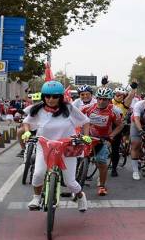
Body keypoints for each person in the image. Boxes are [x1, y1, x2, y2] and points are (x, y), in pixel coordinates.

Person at [21, 81, 92, 212]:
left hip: (67, 148)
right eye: (47, 96)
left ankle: (81, 196)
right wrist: (26, 131)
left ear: (60, 97)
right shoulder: (38, 109)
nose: (51, 99)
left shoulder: (69, 108)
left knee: (70, 182)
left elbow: (86, 121)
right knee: (37, 174)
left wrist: (86, 135)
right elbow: (27, 122)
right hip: (45, 147)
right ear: (43, 96)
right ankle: (36, 197)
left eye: (55, 96)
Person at [81, 87, 123, 196]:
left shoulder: (115, 110)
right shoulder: (88, 108)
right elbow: (77, 119)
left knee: (102, 162)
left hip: (102, 138)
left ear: (109, 100)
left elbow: (120, 125)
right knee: (77, 157)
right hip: (88, 137)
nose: (101, 101)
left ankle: (102, 186)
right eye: (99, 98)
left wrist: (112, 135)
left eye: (105, 99)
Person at [110, 83, 137, 176]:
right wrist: (104, 84)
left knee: (115, 149)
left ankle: (114, 168)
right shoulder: (109, 101)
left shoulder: (125, 104)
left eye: (121, 95)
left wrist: (133, 88)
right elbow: (102, 95)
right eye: (117, 94)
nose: (119, 96)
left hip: (118, 126)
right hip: (106, 125)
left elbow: (131, 96)